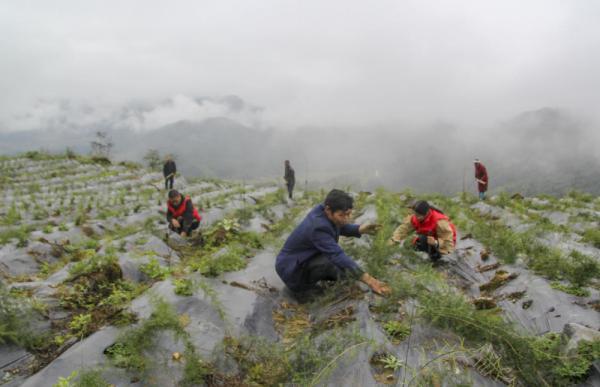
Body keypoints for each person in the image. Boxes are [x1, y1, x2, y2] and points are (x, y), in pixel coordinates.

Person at [275, 189, 390, 297]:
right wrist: (370, 280)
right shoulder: (318, 226)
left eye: (348, 214)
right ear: (328, 210)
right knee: (333, 263)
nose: (346, 219)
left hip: (301, 260)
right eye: (342, 215)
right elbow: (337, 255)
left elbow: (338, 226)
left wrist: (359, 229)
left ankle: (341, 278)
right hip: (293, 272)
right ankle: (305, 291)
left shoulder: (325, 211)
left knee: (342, 268)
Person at [388, 200, 456, 262]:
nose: (417, 218)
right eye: (416, 215)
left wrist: (436, 243)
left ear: (427, 213)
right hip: (429, 238)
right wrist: (394, 240)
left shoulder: (440, 222)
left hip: (444, 243)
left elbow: (449, 243)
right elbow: (403, 229)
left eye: (419, 216)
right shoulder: (415, 217)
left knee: (423, 240)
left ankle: (436, 259)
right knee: (408, 244)